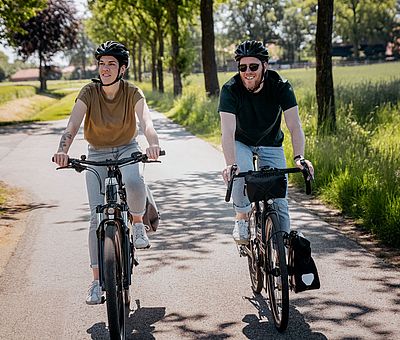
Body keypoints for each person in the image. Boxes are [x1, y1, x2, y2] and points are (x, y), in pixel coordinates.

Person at [53, 41, 161, 304]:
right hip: (96, 153)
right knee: (94, 218)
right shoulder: (89, 92)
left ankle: (137, 225)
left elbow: (146, 120)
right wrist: (62, 149)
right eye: (102, 64)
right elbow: (73, 123)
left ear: (122, 68)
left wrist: (153, 143)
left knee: (135, 180)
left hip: (127, 148)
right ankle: (95, 281)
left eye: (111, 64)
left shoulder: (132, 92)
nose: (105, 69)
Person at [219, 40, 314, 244]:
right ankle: (242, 218)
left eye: (253, 66)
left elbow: (294, 125)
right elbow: (227, 132)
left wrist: (299, 157)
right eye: (243, 67)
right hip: (241, 141)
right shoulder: (230, 89)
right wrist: (230, 163)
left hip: (271, 142)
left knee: (279, 201)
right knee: (240, 172)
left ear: (265, 66)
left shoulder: (280, 86)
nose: (248, 72)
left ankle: (282, 249)